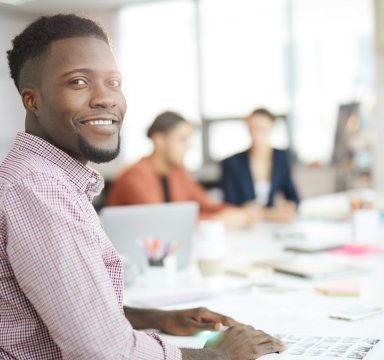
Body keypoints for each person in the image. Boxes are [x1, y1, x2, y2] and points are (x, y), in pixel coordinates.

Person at [0, 14, 283, 359]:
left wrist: (152, 318)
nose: (106, 99)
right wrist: (219, 355)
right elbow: (105, 353)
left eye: (114, 83)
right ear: (33, 101)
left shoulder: (50, 179)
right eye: (78, 82)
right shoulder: (39, 188)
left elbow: (58, 313)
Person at [107, 111, 259, 228]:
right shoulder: (134, 177)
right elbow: (163, 224)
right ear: (159, 140)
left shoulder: (177, 172)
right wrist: (215, 221)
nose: (188, 147)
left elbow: (207, 204)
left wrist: (240, 212)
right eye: (182, 140)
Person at [221, 108, 300, 223]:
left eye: (261, 129)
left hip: (273, 223)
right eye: (252, 129)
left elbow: (293, 196)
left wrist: (289, 206)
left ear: (271, 128)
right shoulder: (232, 162)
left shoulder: (281, 157)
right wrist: (268, 213)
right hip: (245, 223)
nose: (256, 134)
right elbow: (230, 203)